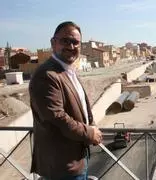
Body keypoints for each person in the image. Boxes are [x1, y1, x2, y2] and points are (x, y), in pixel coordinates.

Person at [29, 21, 103, 179]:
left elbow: (83, 106)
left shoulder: (69, 71)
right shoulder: (47, 75)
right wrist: (90, 133)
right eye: (65, 40)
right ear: (53, 43)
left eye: (75, 42)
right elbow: (57, 117)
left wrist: (93, 124)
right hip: (61, 167)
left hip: (78, 159)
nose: (71, 46)